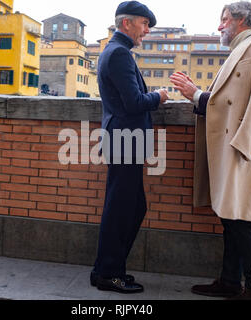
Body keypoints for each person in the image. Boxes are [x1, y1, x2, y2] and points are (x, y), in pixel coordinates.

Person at [170, 1, 251, 300]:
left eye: (223, 19)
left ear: (241, 19)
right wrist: (197, 95)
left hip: (243, 151)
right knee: (231, 218)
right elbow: (224, 104)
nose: (219, 26)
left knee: (243, 221)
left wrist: (243, 149)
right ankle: (230, 282)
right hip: (230, 150)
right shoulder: (237, 54)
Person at [91, 1, 169, 294]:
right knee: (122, 209)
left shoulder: (114, 51)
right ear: (127, 24)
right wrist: (159, 96)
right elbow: (134, 102)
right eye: (144, 24)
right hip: (125, 141)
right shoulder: (120, 54)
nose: (146, 31)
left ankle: (106, 270)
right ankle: (109, 273)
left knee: (130, 207)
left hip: (123, 140)